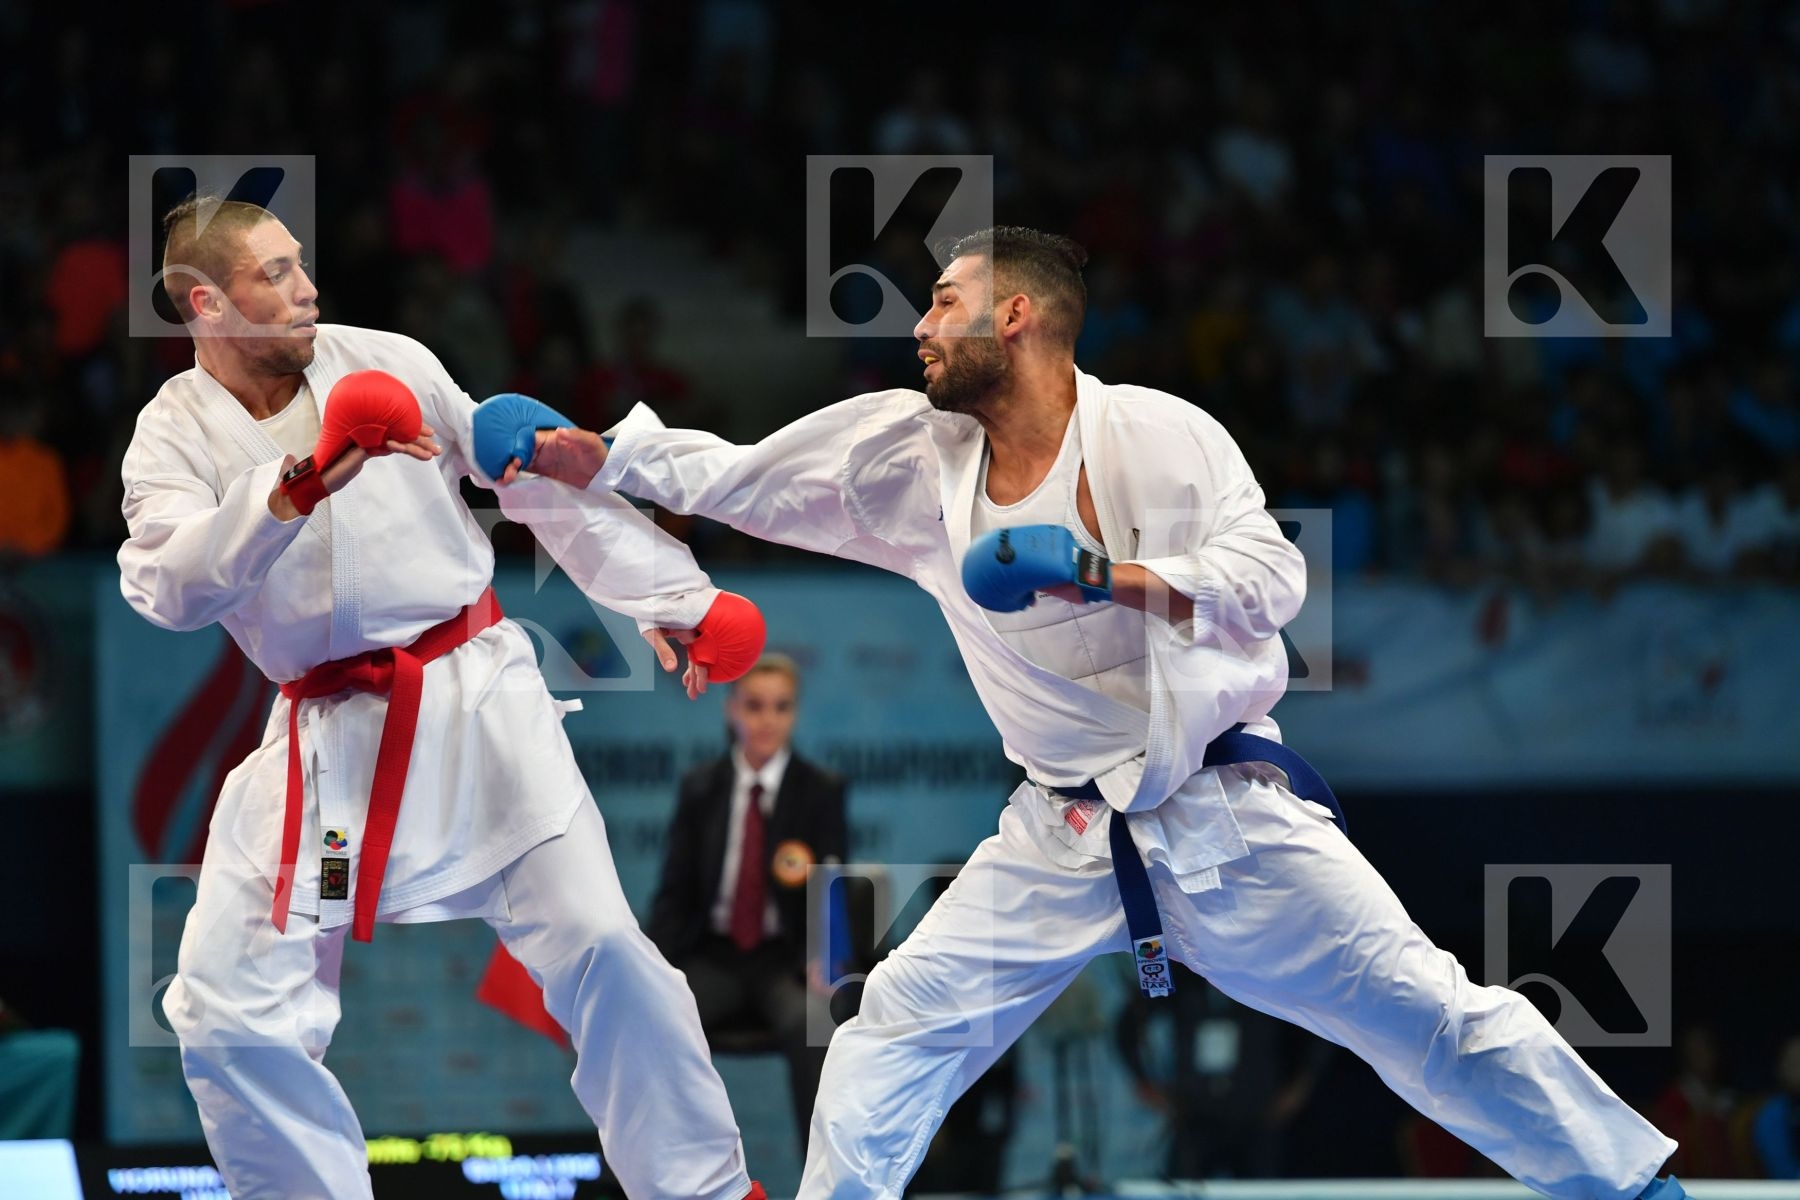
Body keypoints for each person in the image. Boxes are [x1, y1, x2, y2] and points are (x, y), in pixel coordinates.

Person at [483, 226, 1686, 1200]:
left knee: (1427, 1015)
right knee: (894, 1024)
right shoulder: (914, 458)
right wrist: (610, 461)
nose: (918, 323)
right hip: (1058, 836)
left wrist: (1105, 574)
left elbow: (1275, 583)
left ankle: (1635, 1188)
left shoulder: (1155, 436)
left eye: (943, 298)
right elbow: (744, 477)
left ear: (1015, 315)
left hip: (1224, 814)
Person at [120, 195, 765, 1200]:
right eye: (275, 275)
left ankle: (706, 1193)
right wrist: (290, 491)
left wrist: (676, 597)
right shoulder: (174, 435)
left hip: (480, 714)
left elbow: (529, 476)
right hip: (334, 752)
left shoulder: (388, 359)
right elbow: (165, 587)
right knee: (226, 1007)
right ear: (205, 302)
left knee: (605, 951)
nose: (307, 290)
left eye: (302, 266)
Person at [647, 653, 847, 1152]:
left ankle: (825, 1183)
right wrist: (653, 971)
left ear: (794, 714)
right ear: (730, 709)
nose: (767, 719)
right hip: (710, 956)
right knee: (650, 1023)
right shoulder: (700, 788)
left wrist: (828, 956)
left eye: (781, 707)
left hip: (784, 961)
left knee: (817, 1027)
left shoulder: (820, 790)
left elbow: (833, 884)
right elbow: (673, 893)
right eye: (754, 706)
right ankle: (653, 1179)